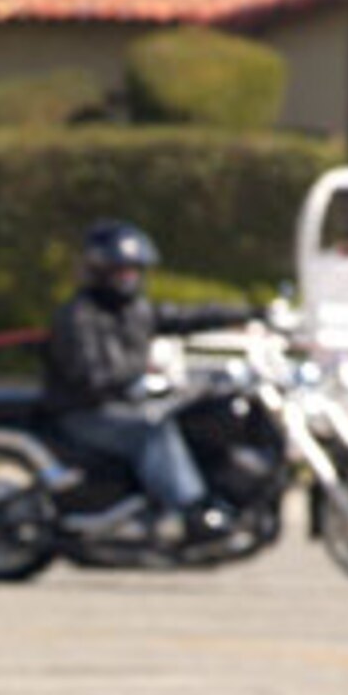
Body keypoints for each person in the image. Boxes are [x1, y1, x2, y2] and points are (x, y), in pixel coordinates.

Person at [43, 218, 247, 542]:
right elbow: (92, 376)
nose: (130, 279)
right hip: (85, 412)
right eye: (122, 272)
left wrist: (245, 314)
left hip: (119, 404)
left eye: (135, 271)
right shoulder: (78, 316)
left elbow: (184, 317)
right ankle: (192, 510)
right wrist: (146, 374)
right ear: (101, 270)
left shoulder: (135, 310)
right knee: (152, 431)